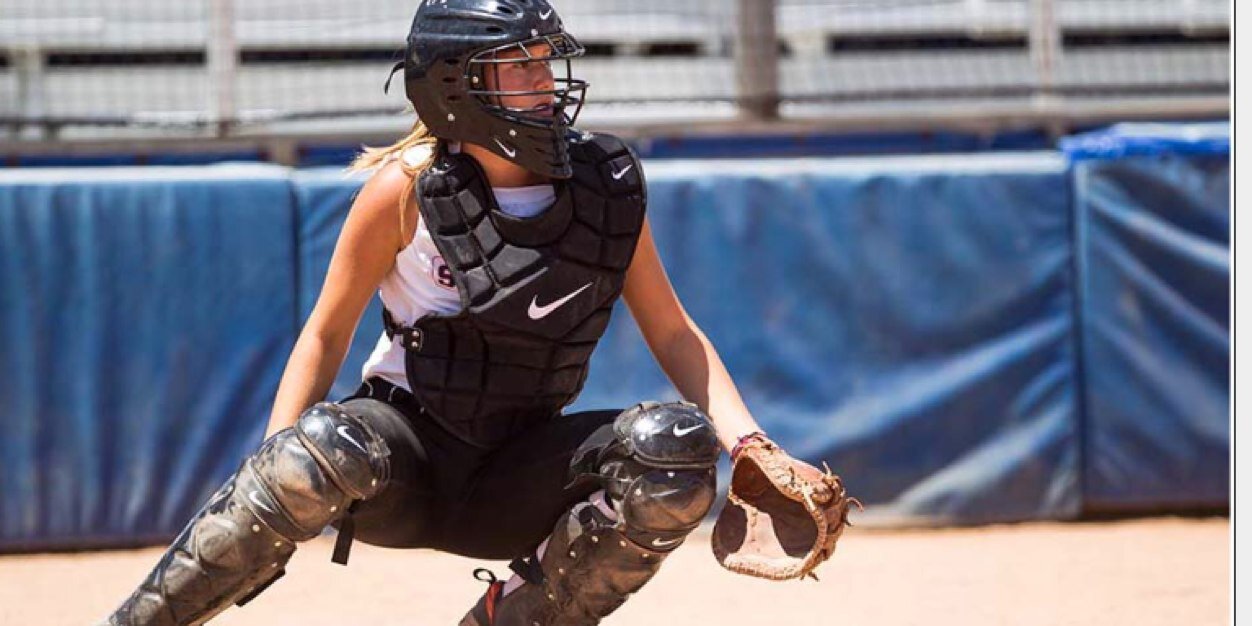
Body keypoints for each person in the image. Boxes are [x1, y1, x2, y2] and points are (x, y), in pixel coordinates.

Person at [101, 1, 779, 624]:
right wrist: (272, 465)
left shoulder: (604, 189)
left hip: (514, 472)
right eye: (520, 64)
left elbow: (673, 330)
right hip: (405, 461)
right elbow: (326, 333)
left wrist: (750, 445)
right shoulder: (405, 189)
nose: (545, 79)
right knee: (320, 445)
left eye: (546, 59)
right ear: (458, 85)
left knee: (671, 452)